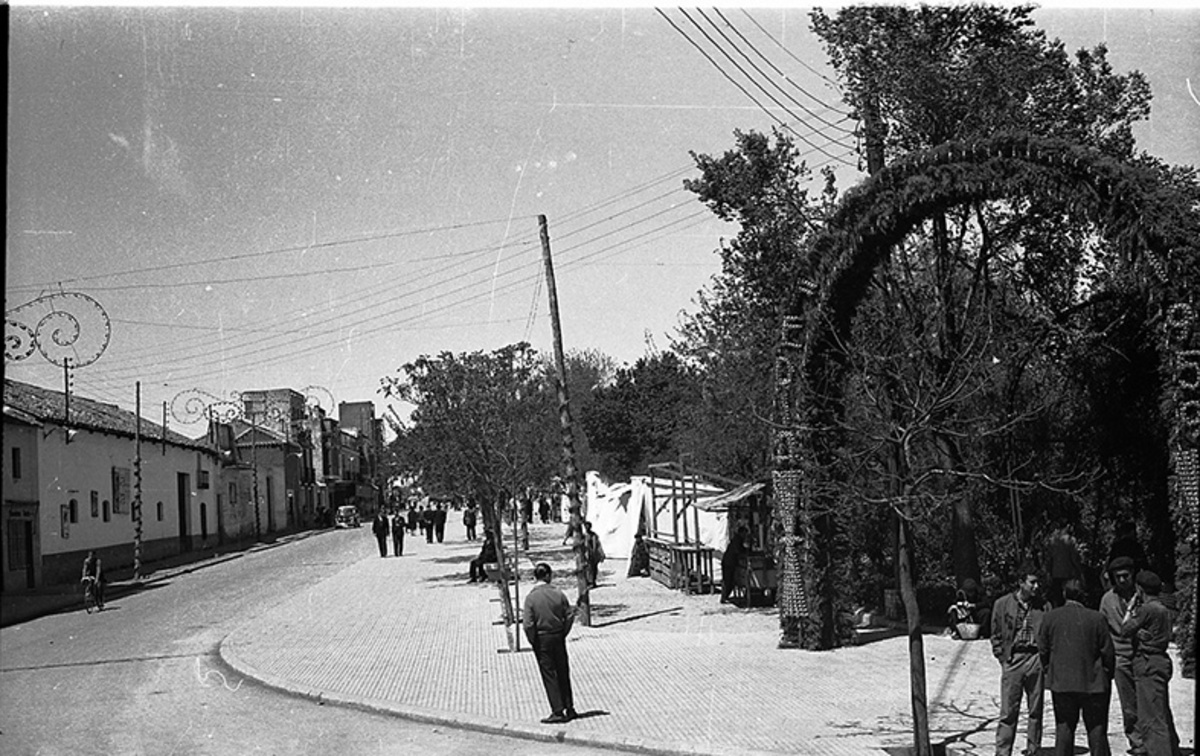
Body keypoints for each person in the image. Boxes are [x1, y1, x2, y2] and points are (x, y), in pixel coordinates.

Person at [1038, 578, 1114, 756]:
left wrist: (1051, 670)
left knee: (1064, 729)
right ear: (1084, 595)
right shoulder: (1097, 618)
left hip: (1062, 683)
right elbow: (1108, 652)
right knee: (1097, 731)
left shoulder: (1050, 618)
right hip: (1093, 684)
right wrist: (1107, 674)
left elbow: (1043, 650)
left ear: (1064, 594)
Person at [991, 561, 1047, 756]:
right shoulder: (1002, 604)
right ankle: (1003, 751)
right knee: (1008, 711)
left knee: (1036, 709)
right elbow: (996, 633)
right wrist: (1003, 658)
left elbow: (1047, 633)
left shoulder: (1042, 606)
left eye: (1037, 583)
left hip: (1035, 658)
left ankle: (1034, 749)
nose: (1036, 587)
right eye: (1032, 582)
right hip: (1013, 659)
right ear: (1021, 583)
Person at [1122, 570, 1181, 756]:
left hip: (1147, 663)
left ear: (1139, 589)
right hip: (1161, 660)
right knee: (1161, 710)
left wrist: (1130, 608)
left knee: (1151, 719)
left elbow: (1125, 629)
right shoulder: (1164, 609)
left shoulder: (1146, 609)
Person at [523, 562, 577, 724]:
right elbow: (569, 615)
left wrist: (533, 641)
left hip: (542, 637)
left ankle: (557, 710)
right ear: (548, 576)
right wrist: (563, 633)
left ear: (535, 577)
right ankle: (570, 707)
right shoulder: (559, 594)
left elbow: (528, 624)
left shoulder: (531, 598)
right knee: (563, 671)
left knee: (549, 674)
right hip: (558, 636)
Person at [1100, 556, 1143, 755]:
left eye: (1126, 576)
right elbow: (1103, 630)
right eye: (1118, 577)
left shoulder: (1143, 595)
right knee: (1129, 704)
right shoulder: (1107, 600)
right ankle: (1136, 742)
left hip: (1142, 655)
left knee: (1148, 700)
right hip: (1120, 657)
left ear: (1132, 574)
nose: (1123, 580)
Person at [1044, 527, 1082, 608]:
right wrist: (1079, 571)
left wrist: (1048, 573)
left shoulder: (1052, 541)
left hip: (1056, 574)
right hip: (1068, 574)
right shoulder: (1071, 540)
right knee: (1070, 598)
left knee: (1058, 600)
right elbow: (1074, 558)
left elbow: (1049, 559)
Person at [720, 527, 748, 604]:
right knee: (728, 580)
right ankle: (724, 597)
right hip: (729, 563)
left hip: (729, 562)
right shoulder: (737, 540)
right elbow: (737, 550)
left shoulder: (737, 539)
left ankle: (725, 596)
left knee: (729, 580)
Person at [583, 522, 604, 588]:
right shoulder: (584, 535)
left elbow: (597, 544)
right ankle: (588, 582)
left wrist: (600, 553)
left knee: (593, 569)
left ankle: (592, 582)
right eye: (585, 526)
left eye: (588, 526)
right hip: (587, 554)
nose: (587, 528)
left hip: (593, 554)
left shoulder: (594, 535)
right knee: (588, 569)